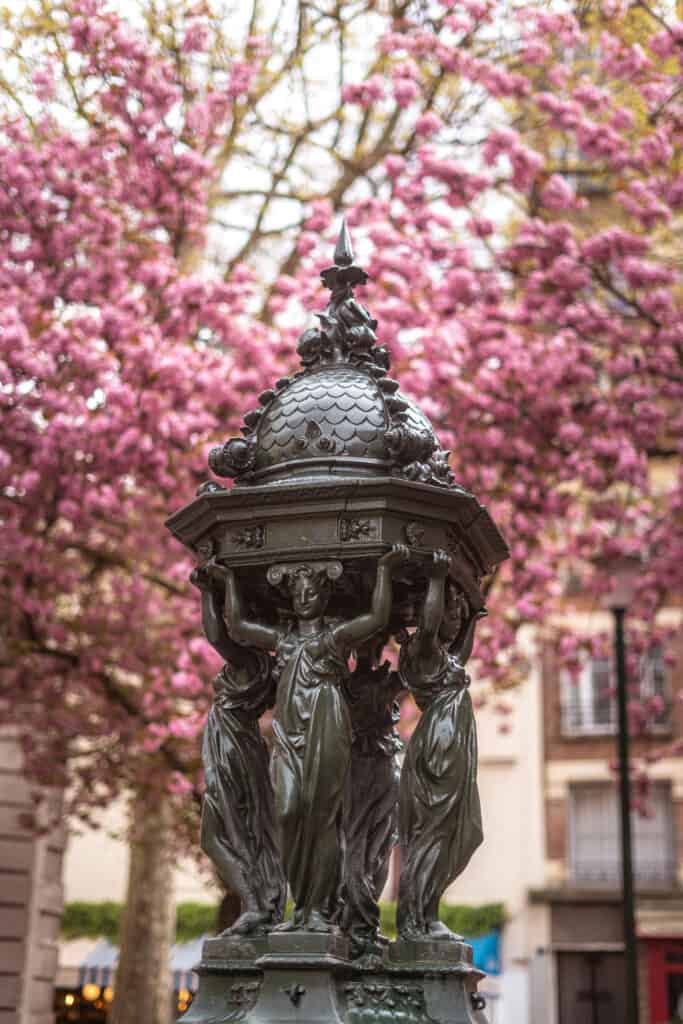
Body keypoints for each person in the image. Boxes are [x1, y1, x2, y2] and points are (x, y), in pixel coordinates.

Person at [220, 544, 409, 933]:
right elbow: (237, 626)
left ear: (324, 595)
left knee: (321, 817)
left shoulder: (335, 638)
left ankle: (318, 911)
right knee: (288, 811)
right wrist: (223, 583)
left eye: (313, 591)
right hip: (290, 732)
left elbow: (376, 616)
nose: (305, 598)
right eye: (299, 592)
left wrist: (387, 570)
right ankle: (302, 903)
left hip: (327, 725)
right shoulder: (284, 641)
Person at [191, 564, 286, 935]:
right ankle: (256, 902)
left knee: (219, 833)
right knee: (227, 832)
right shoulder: (266, 667)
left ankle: (256, 903)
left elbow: (217, 632)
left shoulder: (251, 663)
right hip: (231, 744)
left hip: (233, 748)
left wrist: (212, 589)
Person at [397, 549, 485, 941]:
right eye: (453, 612)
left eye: (459, 613)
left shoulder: (446, 661)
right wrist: (435, 579)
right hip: (439, 748)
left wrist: (473, 621)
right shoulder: (424, 651)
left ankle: (426, 912)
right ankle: (419, 919)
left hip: (454, 746)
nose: (456, 618)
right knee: (434, 832)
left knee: (459, 833)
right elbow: (431, 626)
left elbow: (461, 652)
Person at [341, 635, 402, 954]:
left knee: (380, 845)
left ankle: (364, 918)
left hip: (384, 764)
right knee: (358, 843)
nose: (371, 651)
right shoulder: (346, 685)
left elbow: (417, 673)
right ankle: (357, 918)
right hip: (361, 765)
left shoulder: (385, 680)